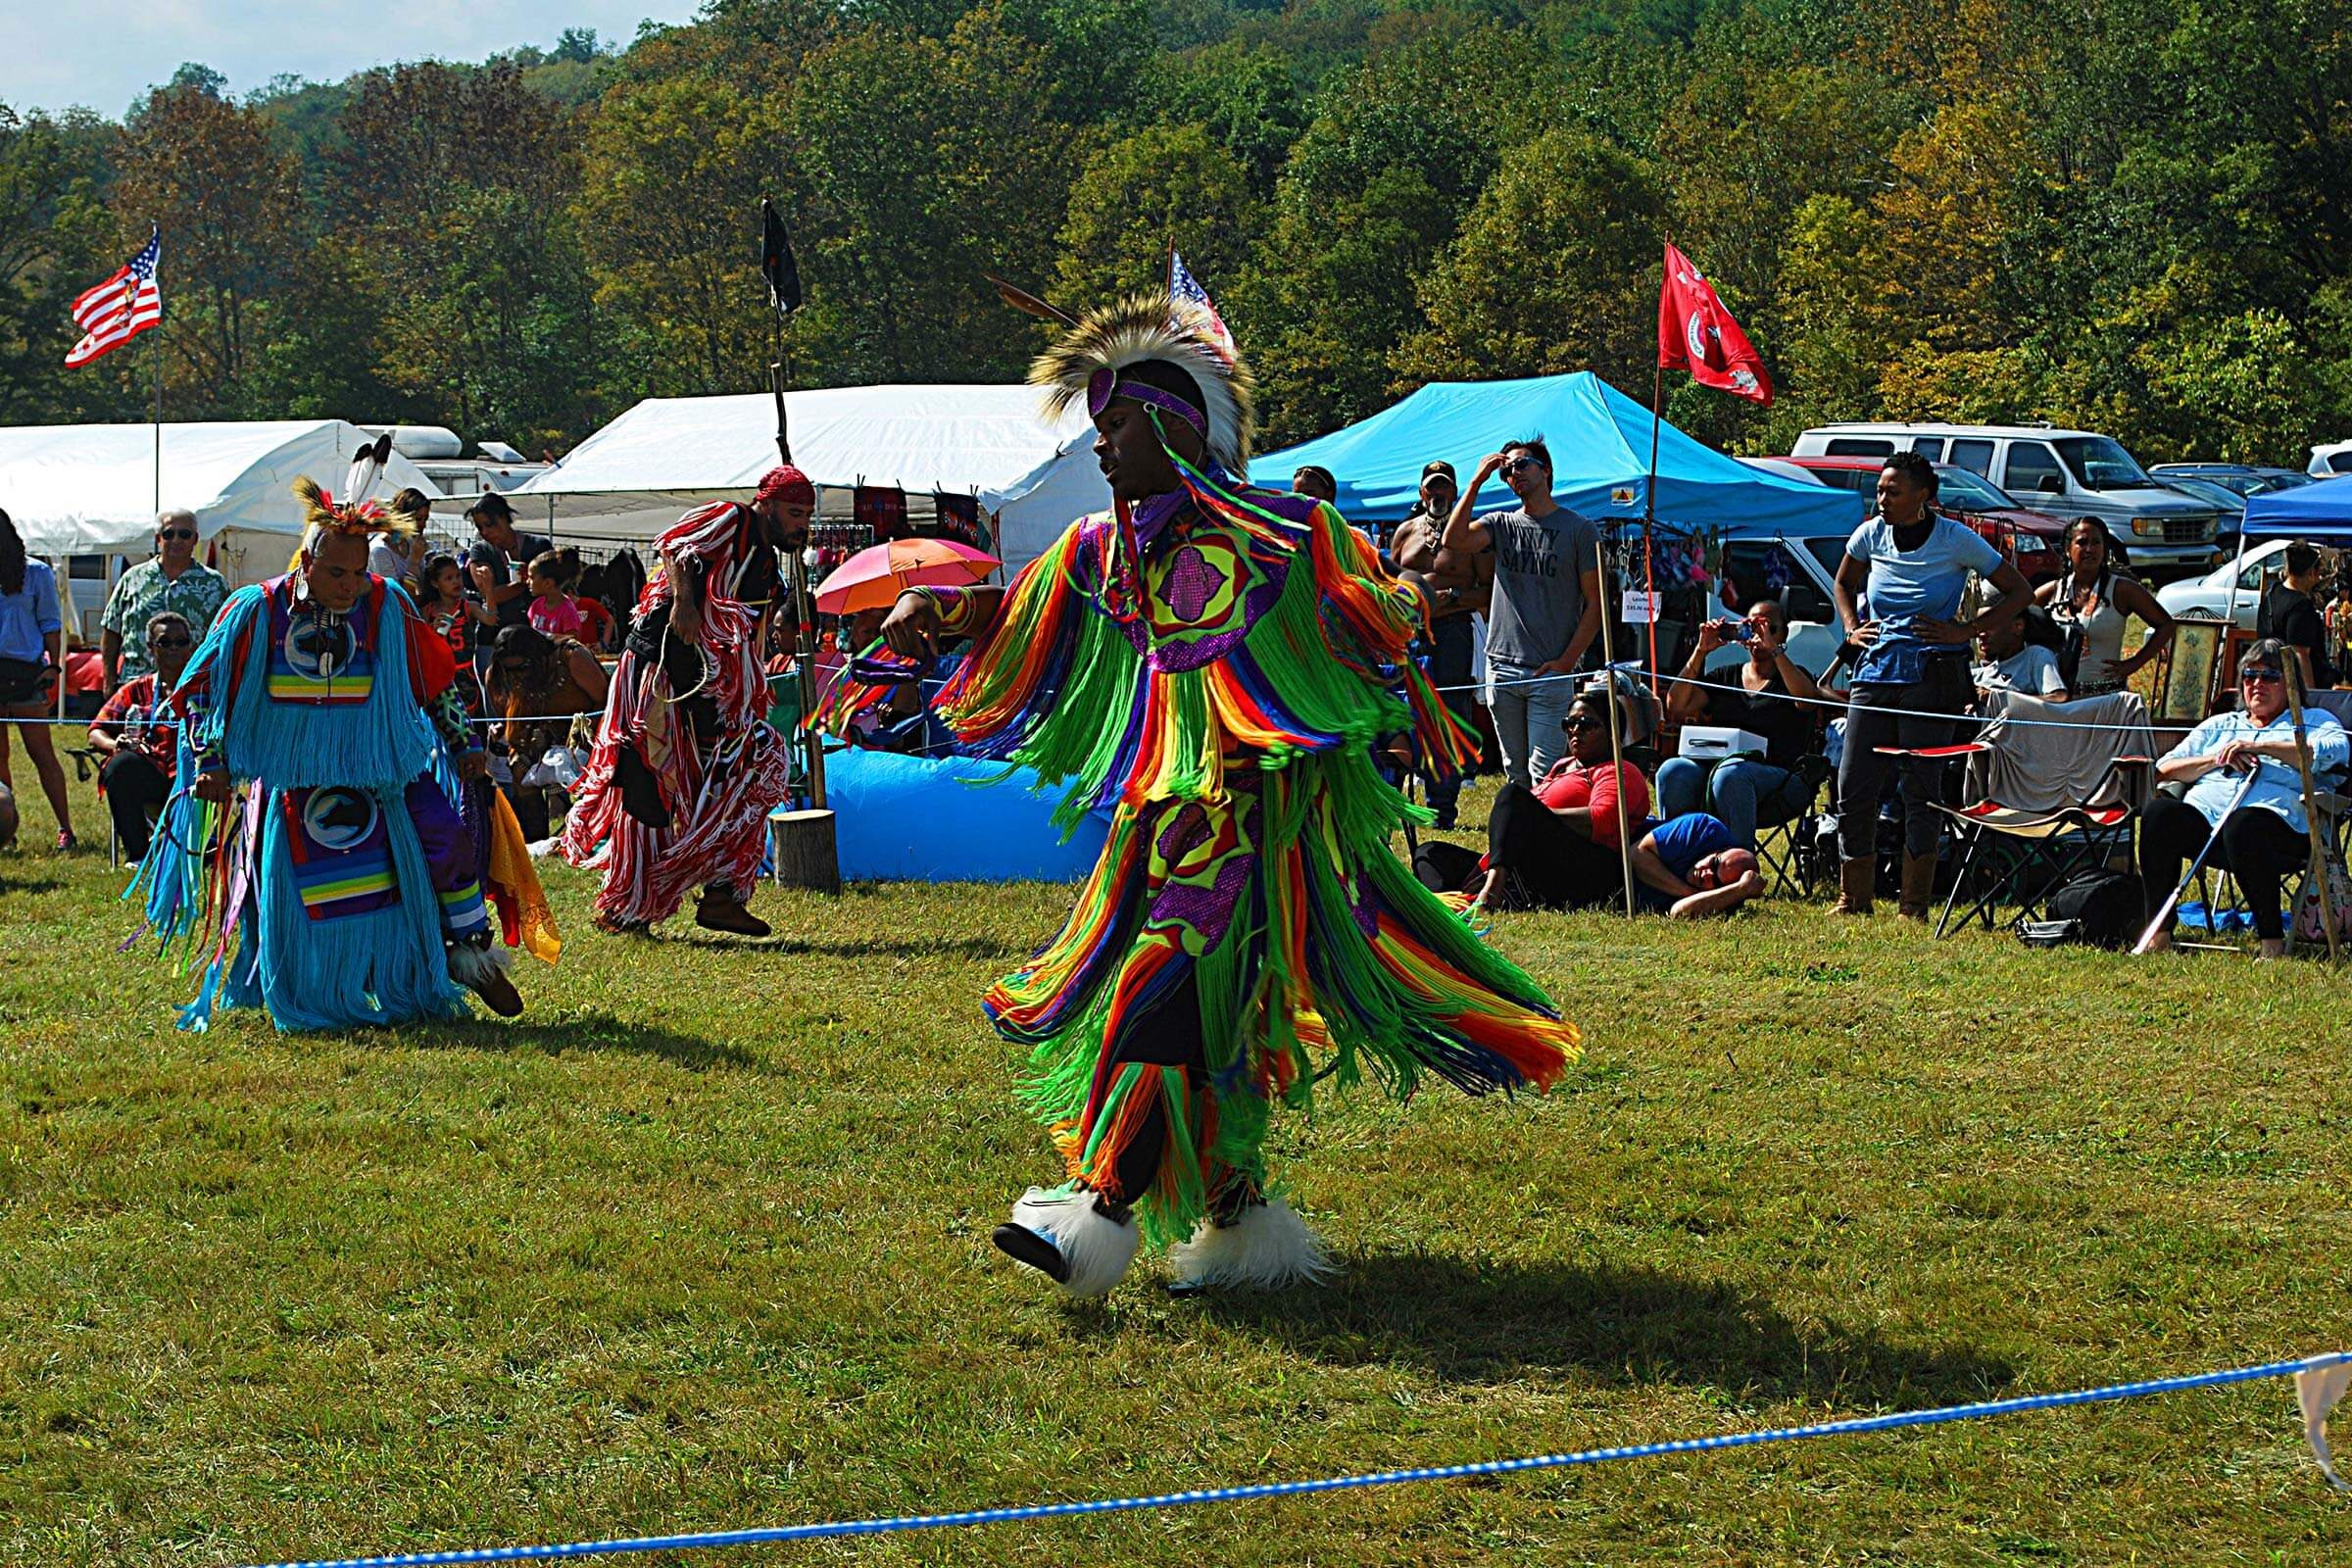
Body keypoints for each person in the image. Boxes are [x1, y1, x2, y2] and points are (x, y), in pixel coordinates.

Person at [879, 291, 1576, 1298]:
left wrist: (1410, 597)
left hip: (1254, 835)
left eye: (1115, 424)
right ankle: (1243, 1225)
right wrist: (934, 609)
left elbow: (1371, 636)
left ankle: (1094, 1218)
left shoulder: (1292, 533)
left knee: (1154, 999)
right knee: (1220, 1041)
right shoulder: (1101, 548)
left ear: (1173, 421)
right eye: (1097, 428)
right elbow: (1014, 610)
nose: (1103, 448)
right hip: (1157, 828)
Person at [129, 480, 541, 1029]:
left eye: (357, 573)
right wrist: (211, 760)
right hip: (292, 773)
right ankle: (295, 976)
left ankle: (471, 952)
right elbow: (206, 689)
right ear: (307, 561)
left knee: (444, 833)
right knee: (291, 885)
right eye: (336, 574)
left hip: (381, 765)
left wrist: (462, 741)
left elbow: (433, 681)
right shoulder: (258, 610)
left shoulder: (385, 605)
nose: (350, 587)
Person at [561, 467, 811, 937]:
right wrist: (684, 603)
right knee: (649, 783)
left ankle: (722, 894)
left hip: (709, 688)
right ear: (767, 504)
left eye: (807, 517)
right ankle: (628, 904)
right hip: (656, 674)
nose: (803, 525)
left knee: (759, 765)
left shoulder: (764, 562)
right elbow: (675, 546)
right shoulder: (731, 519)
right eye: (795, 513)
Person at [1831, 452, 2032, 918]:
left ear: (1923, 496)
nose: (1882, 499)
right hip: (1875, 670)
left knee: (1919, 786)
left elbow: (2019, 590)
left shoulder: (1955, 539)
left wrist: (1966, 631)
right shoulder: (1869, 534)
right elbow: (1844, 582)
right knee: (1853, 782)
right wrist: (1850, 626)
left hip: (1933, 675)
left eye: (1893, 492)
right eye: (1880, 490)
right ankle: (1853, 897)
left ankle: (1913, 903)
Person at [2139, 640, 2348, 959]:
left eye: (2270, 676)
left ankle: (2272, 943)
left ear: (2291, 683)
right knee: (2159, 813)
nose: (2257, 684)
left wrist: (2259, 746)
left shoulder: (2315, 720)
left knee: (2245, 823)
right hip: (2209, 829)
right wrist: (2216, 760)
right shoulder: (2221, 725)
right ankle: (2159, 934)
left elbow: (2327, 753)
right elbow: (2163, 769)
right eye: (2250, 675)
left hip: (2283, 832)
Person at [1440, 438, 1602, 788]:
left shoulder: (1580, 530)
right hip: (1501, 667)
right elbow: (1452, 540)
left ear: (1545, 470)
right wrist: (1475, 483)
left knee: (1546, 777)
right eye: (1507, 471)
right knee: (1515, 774)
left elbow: (1596, 604)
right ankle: (1520, 843)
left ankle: (1546, 842)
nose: (1514, 473)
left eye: (1521, 464)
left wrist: (1566, 662)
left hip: (1550, 673)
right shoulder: (1500, 523)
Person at [1418, 689, 1650, 911]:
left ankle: (1492, 892)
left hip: (1585, 868)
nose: (1575, 731)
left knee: (1512, 796)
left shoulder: (1619, 771)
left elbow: (1604, 819)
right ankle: (1448, 903)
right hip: (1529, 858)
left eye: (1586, 724)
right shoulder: (1562, 766)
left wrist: (1531, 819)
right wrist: (1526, 820)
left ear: (1612, 732)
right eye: (1569, 724)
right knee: (1430, 853)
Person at [1656, 599, 1827, 849]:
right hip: (1715, 769)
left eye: (1768, 628)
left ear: (1783, 633)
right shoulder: (1725, 676)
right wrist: (1700, 651)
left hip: (1781, 778)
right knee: (1673, 771)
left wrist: (1775, 650)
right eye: (1752, 627)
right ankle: (1680, 861)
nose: (1759, 635)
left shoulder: (1792, 677)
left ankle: (1738, 869)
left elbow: (1808, 702)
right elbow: (1676, 706)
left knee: (1732, 774)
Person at [1386, 461, 1486, 826]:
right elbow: (1388, 583)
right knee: (1405, 712)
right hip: (1410, 637)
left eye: (1445, 488)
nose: (1438, 494)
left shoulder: (1470, 535)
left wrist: (1452, 597)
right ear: (1422, 492)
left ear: (1455, 492)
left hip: (1452, 633)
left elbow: (1488, 591)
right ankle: (1398, 803)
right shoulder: (1405, 532)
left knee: (1448, 713)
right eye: (1432, 487)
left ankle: (1442, 807)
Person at [484, 622, 611, 842]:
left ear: (538, 657)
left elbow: (605, 701)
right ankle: (537, 842)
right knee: (519, 769)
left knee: (584, 773)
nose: (517, 675)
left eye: (522, 667)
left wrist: (581, 740)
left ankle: (595, 833)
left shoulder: (571, 657)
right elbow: (504, 713)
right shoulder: (497, 673)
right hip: (534, 738)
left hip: (585, 736)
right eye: (510, 670)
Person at [86, 612, 194, 859]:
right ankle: (138, 854)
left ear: (192, 646)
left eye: (181, 642)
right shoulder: (136, 689)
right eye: (165, 643)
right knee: (120, 766)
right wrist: (115, 743)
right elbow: (96, 730)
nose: (174, 648)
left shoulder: (205, 688)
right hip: (152, 771)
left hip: (193, 773)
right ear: (150, 648)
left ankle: (200, 849)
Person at [0, 509, 74, 850]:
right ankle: (6, 831)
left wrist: (53, 667)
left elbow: (50, 623)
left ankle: (65, 828)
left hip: (27, 673)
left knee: (41, 753)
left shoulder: (36, 573)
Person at [2034, 520, 2172, 697]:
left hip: (2107, 699)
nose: (2090, 549)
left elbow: (2166, 625)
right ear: (2068, 549)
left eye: (2096, 543)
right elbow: (2018, 620)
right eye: (2082, 542)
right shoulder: (2054, 591)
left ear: (2105, 548)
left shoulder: (2121, 589)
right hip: (2062, 699)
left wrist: (2133, 664)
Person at [99, 510, 227, 691]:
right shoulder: (132, 579)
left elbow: (226, 638)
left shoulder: (215, 584)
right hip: (137, 684)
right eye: (169, 534)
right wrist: (109, 678)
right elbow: (111, 630)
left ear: (195, 539)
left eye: (184, 534)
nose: (176, 540)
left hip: (193, 686)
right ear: (158, 539)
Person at [465, 492, 555, 671]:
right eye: (480, 527)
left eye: (489, 525)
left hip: (535, 635)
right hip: (493, 638)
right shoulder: (480, 551)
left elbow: (553, 587)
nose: (485, 532)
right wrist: (528, 581)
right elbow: (491, 595)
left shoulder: (539, 546)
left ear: (504, 518)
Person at [1629, 814, 1765, 918]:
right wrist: (1688, 892)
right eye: (1715, 864)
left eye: (1716, 881)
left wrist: (1741, 889)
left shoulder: (1729, 895)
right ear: (1717, 851)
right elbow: (1636, 854)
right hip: (1618, 847)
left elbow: (1678, 913)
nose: (1706, 874)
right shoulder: (1702, 828)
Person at [413, 551, 497, 699]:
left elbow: (491, 619)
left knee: (472, 717)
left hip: (466, 675)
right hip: (439, 676)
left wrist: (489, 589)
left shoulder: (468, 607)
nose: (456, 581)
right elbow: (420, 644)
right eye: (449, 578)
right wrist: (431, 630)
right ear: (435, 583)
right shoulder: (428, 611)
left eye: (458, 576)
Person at [2255, 541, 2336, 691]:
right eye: (2318, 574)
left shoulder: (2271, 594)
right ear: (2311, 573)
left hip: (2270, 681)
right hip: (2292, 692)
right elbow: (2301, 655)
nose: (2318, 579)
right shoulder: (2301, 606)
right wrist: (2310, 698)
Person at [1973, 612, 2070, 699]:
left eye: (1990, 626)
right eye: (1979, 627)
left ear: (2018, 626)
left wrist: (1999, 699)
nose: (1981, 634)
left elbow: (2058, 697)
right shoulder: (1979, 673)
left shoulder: (2035, 656)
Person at [367, 492, 432, 589]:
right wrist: (414, 562)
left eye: (425, 519)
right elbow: (395, 594)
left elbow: (421, 585)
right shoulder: (380, 551)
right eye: (418, 519)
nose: (423, 525)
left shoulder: (411, 544)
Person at [525, 550, 588, 640]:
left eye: (531, 577)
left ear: (548, 583)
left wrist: (549, 638)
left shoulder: (568, 611)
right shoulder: (536, 605)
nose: (527, 581)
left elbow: (572, 642)